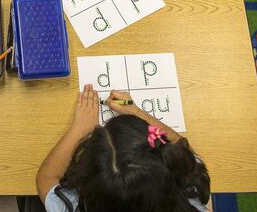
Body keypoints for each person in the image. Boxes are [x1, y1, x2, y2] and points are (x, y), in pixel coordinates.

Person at [36, 85, 210, 212]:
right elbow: (180, 145)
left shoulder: (72, 206)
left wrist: (80, 129)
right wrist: (136, 111)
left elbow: (46, 177)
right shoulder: (190, 193)